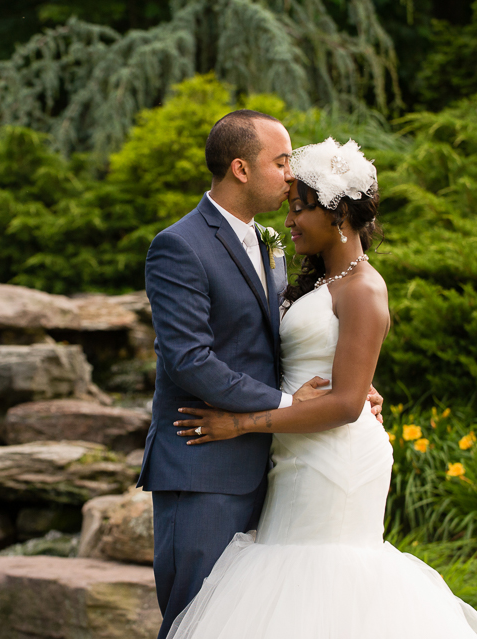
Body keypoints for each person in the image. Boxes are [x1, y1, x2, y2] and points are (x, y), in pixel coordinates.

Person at [166, 138, 477, 638]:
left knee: (325, 584)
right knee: (285, 588)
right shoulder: (318, 279)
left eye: (301, 209)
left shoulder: (364, 287)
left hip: (335, 458)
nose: (290, 220)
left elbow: (347, 404)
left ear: (339, 213)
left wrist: (239, 423)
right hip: (298, 448)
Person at [138, 111, 383, 639]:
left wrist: (351, 388)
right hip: (205, 463)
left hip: (280, 469)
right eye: (280, 161)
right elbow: (190, 360)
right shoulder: (179, 245)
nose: (290, 173)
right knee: (193, 622)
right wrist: (290, 401)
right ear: (241, 169)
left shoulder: (270, 244)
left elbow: (284, 343)